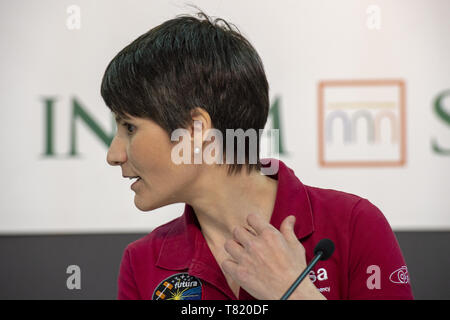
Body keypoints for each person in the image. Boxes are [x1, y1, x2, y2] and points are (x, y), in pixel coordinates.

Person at [100, 10, 414, 300]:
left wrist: (293, 292)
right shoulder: (140, 262)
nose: (113, 155)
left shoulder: (354, 226)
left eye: (129, 127)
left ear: (195, 130)